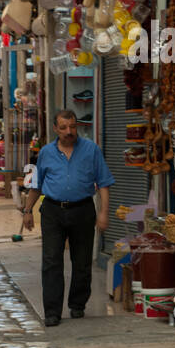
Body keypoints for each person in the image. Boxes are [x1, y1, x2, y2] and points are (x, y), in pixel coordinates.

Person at [22, 110, 114, 327]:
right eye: (63, 128)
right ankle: (52, 311)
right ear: (55, 129)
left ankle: (77, 304)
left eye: (72, 127)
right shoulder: (45, 153)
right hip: (52, 211)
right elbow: (36, 185)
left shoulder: (91, 150)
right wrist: (27, 211)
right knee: (51, 261)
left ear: (77, 126)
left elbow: (103, 183)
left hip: (82, 210)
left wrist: (103, 213)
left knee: (81, 261)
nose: (69, 132)